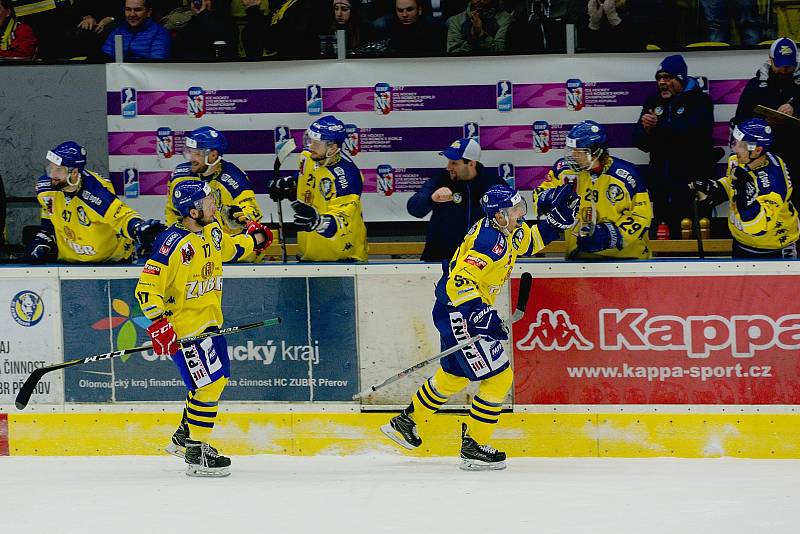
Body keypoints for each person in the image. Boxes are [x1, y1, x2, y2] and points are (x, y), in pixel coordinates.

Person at [382, 183, 579, 470]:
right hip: (461, 313)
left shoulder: (506, 230)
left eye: (520, 207)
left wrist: (554, 223)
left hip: (455, 311)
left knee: (454, 376)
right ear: (499, 216)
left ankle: (406, 422)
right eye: (514, 210)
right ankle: (474, 446)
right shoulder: (488, 243)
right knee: (499, 378)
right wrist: (480, 315)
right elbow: (458, 281)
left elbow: (530, 240)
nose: (521, 213)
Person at [136, 180, 272, 477]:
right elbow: (146, 289)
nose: (214, 205)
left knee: (215, 380)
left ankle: (185, 436)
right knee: (209, 385)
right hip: (186, 331)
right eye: (208, 202)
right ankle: (196, 453)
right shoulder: (171, 243)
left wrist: (255, 240)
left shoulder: (211, 231)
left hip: (210, 324)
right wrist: (159, 325)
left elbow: (229, 249)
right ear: (192, 210)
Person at [27, 141, 165, 264]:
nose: (52, 175)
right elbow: (49, 211)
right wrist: (44, 238)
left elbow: (121, 217)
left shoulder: (95, 192)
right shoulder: (46, 187)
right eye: (50, 168)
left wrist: (138, 228)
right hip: (69, 264)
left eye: (58, 170)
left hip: (111, 263)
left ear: (74, 172)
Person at [534, 120, 653, 259]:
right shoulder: (564, 171)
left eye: (579, 152)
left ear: (596, 152)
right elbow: (539, 193)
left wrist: (610, 235)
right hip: (579, 255)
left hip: (627, 258)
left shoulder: (627, 175)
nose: (573, 155)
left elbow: (641, 216)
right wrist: (547, 198)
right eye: (572, 150)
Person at [632, 54, 715, 240]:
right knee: (664, 235)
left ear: (681, 78)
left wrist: (658, 126)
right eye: (659, 78)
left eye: (668, 77)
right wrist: (645, 130)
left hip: (691, 181)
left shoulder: (700, 101)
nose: (662, 82)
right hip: (661, 182)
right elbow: (638, 142)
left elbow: (696, 135)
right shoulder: (652, 102)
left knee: (693, 234)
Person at [691, 119, 799, 259]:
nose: (735, 149)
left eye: (741, 145)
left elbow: (757, 227)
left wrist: (747, 203)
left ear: (757, 150)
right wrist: (715, 189)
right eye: (735, 142)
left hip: (773, 250)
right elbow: (732, 183)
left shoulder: (772, 184)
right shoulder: (740, 159)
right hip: (741, 244)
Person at [268, 115, 368, 262]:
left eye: (317, 143)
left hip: (341, 259)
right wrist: (291, 184)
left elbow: (343, 220)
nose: (311, 146)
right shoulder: (307, 157)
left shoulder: (347, 177)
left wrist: (319, 222)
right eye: (310, 140)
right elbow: (309, 179)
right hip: (308, 253)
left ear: (332, 148)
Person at [166, 126, 266, 262]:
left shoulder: (234, 178)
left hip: (232, 254)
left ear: (213, 155)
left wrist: (238, 218)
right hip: (195, 252)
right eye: (190, 152)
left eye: (197, 154)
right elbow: (172, 212)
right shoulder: (179, 176)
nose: (192, 158)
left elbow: (253, 214)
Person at [407, 137, 505, 262]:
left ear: (471, 163)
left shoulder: (492, 184)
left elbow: (514, 215)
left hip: (480, 261)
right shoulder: (440, 180)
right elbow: (413, 208)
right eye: (449, 161)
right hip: (440, 259)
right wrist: (431, 198)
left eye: (454, 163)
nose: (448, 167)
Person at [733, 38, 800, 208]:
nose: (784, 69)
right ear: (770, 60)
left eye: (789, 65)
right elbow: (740, 123)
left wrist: (795, 109)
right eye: (780, 64)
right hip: (764, 158)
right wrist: (764, 123)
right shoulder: (755, 86)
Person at [101, 0, 171, 60]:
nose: (132, 14)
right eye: (128, 9)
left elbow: (156, 65)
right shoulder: (118, 30)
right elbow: (105, 59)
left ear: (148, 12)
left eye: (137, 10)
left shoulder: (159, 33)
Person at [171, 0, 238, 59]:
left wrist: (203, 14)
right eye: (196, 1)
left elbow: (220, 36)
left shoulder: (226, 22)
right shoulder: (188, 23)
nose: (200, 4)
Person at [446, 0, 513, 54]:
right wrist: (473, 39)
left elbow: (502, 52)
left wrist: (481, 34)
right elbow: (453, 54)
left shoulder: (505, 18)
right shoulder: (457, 20)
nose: (478, 0)